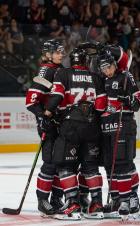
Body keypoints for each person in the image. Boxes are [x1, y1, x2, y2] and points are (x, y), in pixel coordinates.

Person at [44, 47, 107, 220]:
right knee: (91, 167)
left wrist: (47, 114)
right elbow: (101, 107)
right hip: (92, 126)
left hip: (71, 126)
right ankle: (96, 206)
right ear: (86, 62)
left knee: (65, 165)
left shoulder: (63, 74)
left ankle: (72, 205)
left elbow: (56, 96)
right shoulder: (96, 78)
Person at [97, 50, 140, 219]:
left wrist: (128, 100)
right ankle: (117, 198)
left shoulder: (125, 77)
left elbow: (138, 102)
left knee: (125, 163)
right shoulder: (102, 80)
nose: (106, 71)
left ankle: (131, 197)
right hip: (107, 126)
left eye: (108, 67)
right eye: (103, 68)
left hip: (124, 123)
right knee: (110, 165)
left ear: (114, 64)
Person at [25, 39, 65, 217]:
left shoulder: (59, 70)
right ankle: (43, 201)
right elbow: (31, 101)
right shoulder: (47, 70)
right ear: (48, 54)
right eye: (57, 51)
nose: (61, 54)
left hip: (62, 124)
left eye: (62, 51)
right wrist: (42, 118)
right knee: (49, 164)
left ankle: (57, 199)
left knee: (61, 164)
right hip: (49, 125)